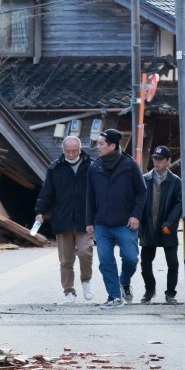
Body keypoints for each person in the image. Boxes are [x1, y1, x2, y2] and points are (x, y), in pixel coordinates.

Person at [85, 128, 146, 309]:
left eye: (101, 143)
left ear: (112, 146)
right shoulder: (94, 167)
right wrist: (89, 221)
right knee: (105, 260)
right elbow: (90, 195)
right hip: (102, 224)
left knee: (131, 258)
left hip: (125, 223)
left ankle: (124, 281)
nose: (98, 147)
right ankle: (114, 296)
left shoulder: (130, 165)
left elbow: (142, 191)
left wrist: (136, 215)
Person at [34, 136, 94, 303]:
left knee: (85, 252)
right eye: (68, 151)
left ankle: (86, 281)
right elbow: (47, 192)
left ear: (80, 149)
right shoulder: (55, 168)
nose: (71, 154)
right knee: (66, 259)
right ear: (63, 150)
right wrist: (40, 211)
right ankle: (69, 290)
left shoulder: (92, 166)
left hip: (85, 219)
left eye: (75, 151)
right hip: (62, 219)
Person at [139, 145, 183, 304]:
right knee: (145, 263)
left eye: (160, 159)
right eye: (155, 159)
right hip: (148, 227)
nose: (157, 162)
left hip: (167, 228)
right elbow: (138, 203)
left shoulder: (176, 182)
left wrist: (169, 223)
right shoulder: (145, 179)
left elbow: (179, 205)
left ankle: (170, 293)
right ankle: (149, 290)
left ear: (168, 161)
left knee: (173, 263)